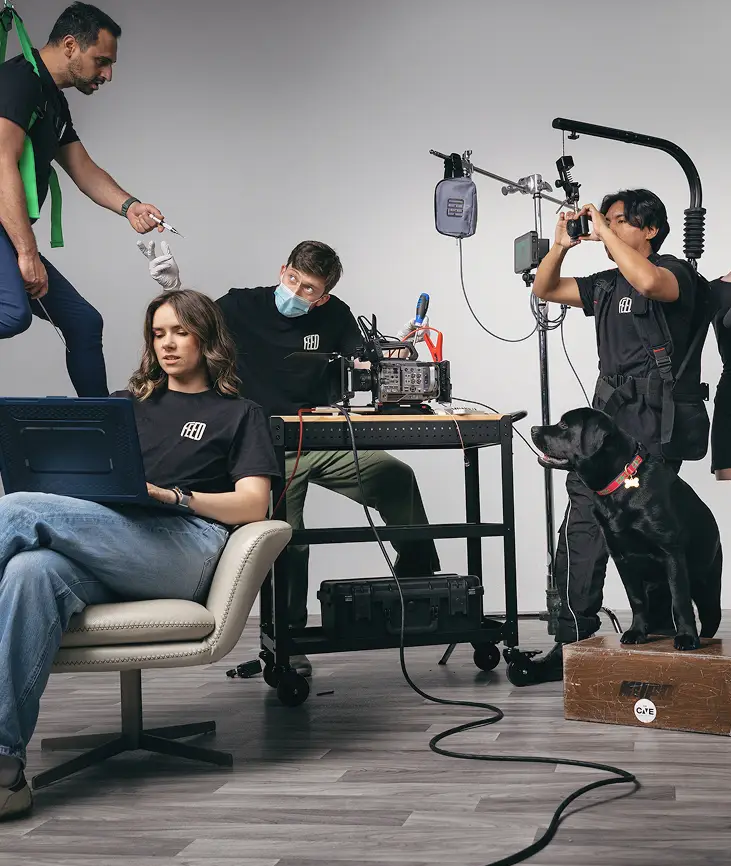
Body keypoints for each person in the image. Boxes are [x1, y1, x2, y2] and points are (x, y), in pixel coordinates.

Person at [0, 288, 280, 821]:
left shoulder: (238, 413)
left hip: (183, 544)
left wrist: (173, 495)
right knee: (30, 570)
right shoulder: (121, 405)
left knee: (15, 511)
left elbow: (253, 502)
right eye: (158, 334)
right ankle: (3, 766)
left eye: (180, 331)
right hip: (107, 539)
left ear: (207, 337)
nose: (168, 344)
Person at [138, 239, 440, 675]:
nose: (296, 293)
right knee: (286, 536)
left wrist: (390, 352)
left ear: (325, 296)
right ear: (284, 270)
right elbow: (191, 325)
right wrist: (173, 286)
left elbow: (364, 359)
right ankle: (289, 637)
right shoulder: (240, 306)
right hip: (261, 443)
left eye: (309, 290)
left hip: (322, 436)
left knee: (396, 476)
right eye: (293, 280)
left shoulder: (336, 316)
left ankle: (419, 578)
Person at [518, 189, 708, 683]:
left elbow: (648, 282)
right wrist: (559, 245)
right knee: (583, 528)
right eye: (607, 221)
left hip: (653, 426)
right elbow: (545, 289)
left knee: (652, 534)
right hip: (604, 425)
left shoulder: (674, 272)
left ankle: (667, 639)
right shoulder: (605, 284)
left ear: (650, 229)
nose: (606, 228)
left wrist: (600, 226)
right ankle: (571, 643)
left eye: (620, 221)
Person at [0, 2, 169, 397]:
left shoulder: (52, 99)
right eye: (102, 61)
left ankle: (102, 429)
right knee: (11, 314)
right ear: (72, 46)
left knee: (83, 323)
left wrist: (131, 206)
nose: (107, 74)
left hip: (8, 234)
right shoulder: (17, 82)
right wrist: (28, 254)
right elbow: (1, 164)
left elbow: (82, 168)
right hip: (8, 233)